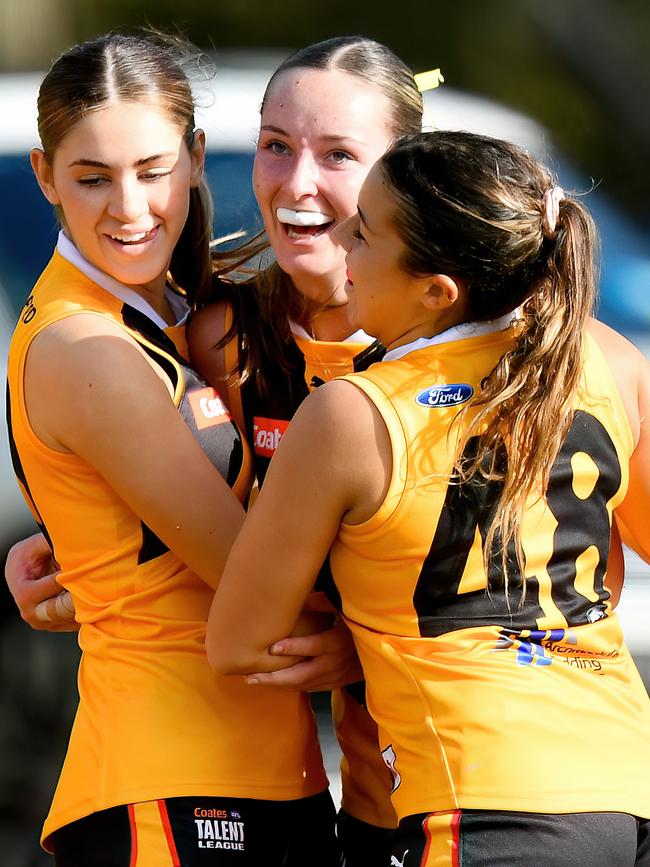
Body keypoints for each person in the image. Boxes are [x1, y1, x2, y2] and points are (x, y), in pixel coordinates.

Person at [7, 35, 440, 864]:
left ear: (195, 160)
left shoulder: (179, 312)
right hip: (171, 781)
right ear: (45, 177)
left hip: (298, 781)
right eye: (92, 177)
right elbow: (253, 578)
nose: (130, 208)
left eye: (152, 169)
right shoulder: (93, 345)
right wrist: (361, 638)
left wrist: (71, 547)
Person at [206, 130, 650, 865]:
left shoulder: (351, 413)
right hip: (625, 783)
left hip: (485, 805)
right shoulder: (609, 358)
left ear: (436, 292)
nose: (343, 236)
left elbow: (237, 641)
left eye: (366, 231)